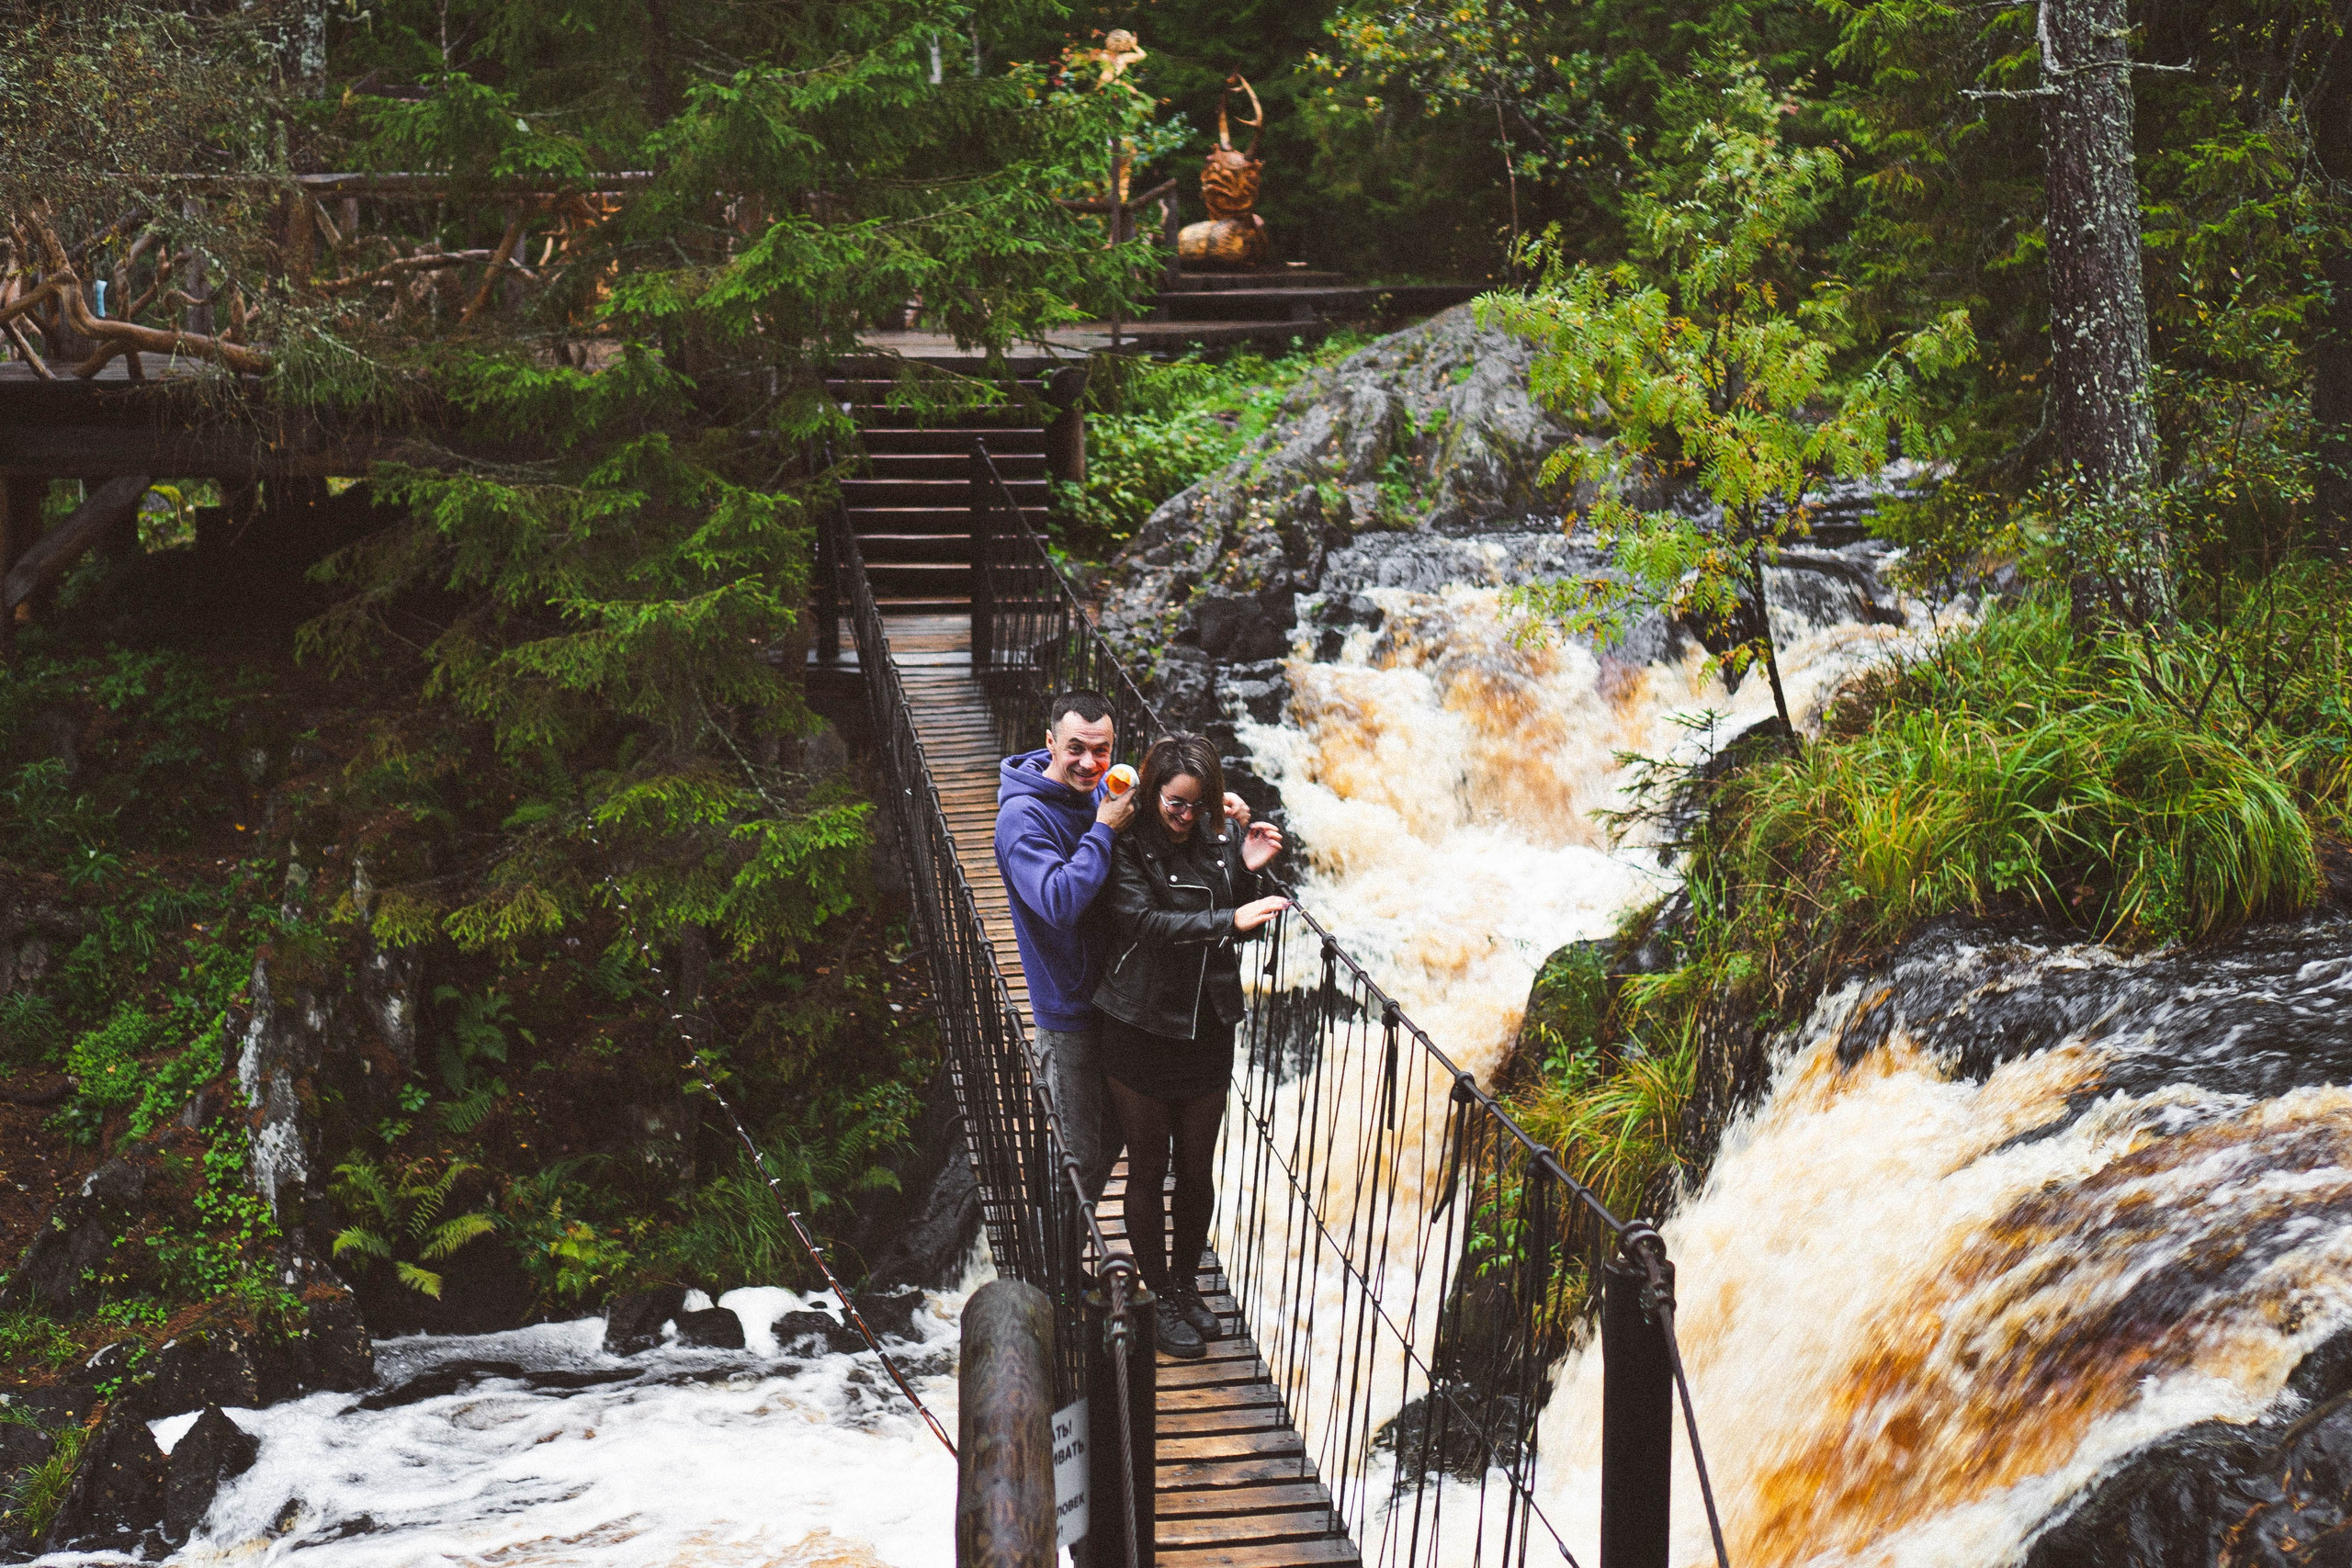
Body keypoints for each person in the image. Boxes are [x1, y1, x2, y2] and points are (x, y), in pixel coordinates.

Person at [1091, 733, 1289, 1359]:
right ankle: (1159, 1295)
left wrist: (1245, 872)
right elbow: (1146, 924)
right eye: (1174, 803)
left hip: (1206, 1027)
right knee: (1149, 1166)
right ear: (1152, 794)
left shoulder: (1215, 838)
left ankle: (1184, 1284)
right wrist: (1229, 918)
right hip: (1141, 1024)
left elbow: (1234, 922)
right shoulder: (1125, 845)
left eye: (1195, 806)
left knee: (1197, 1169)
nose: (1184, 816)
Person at [995, 690, 1135, 1201]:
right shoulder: (1022, 819)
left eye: (1101, 751)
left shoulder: (1099, 793)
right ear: (1050, 742)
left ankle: (1065, 1264)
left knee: (1115, 1135)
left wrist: (1216, 821)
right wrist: (1102, 830)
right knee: (1074, 1158)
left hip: (1116, 1000)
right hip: (1068, 1007)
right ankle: (1049, 1277)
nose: (1089, 763)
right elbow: (1058, 902)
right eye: (1076, 748)